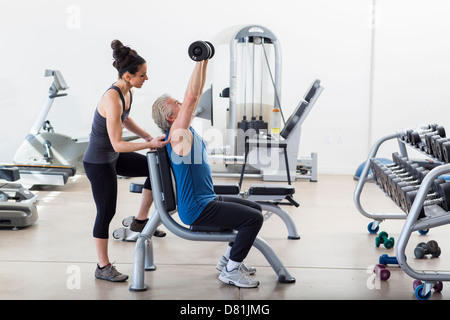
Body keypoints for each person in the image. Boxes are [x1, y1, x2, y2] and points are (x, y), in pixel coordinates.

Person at [151, 59, 264, 288]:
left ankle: (227, 261)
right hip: (198, 208)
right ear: (172, 117)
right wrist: (199, 61)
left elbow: (196, 94)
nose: (184, 103)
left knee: (255, 209)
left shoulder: (184, 131)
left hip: (205, 200)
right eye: (177, 104)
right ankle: (231, 271)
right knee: (254, 219)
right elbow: (192, 97)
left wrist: (204, 61)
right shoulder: (177, 135)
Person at [83, 40, 169, 282]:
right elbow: (118, 144)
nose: (147, 78)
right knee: (106, 211)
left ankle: (141, 220)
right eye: (143, 75)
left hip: (113, 157)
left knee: (155, 167)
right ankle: (102, 267)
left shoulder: (126, 91)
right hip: (99, 162)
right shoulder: (112, 97)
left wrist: (147, 136)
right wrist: (150, 144)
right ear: (128, 75)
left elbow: (125, 119)